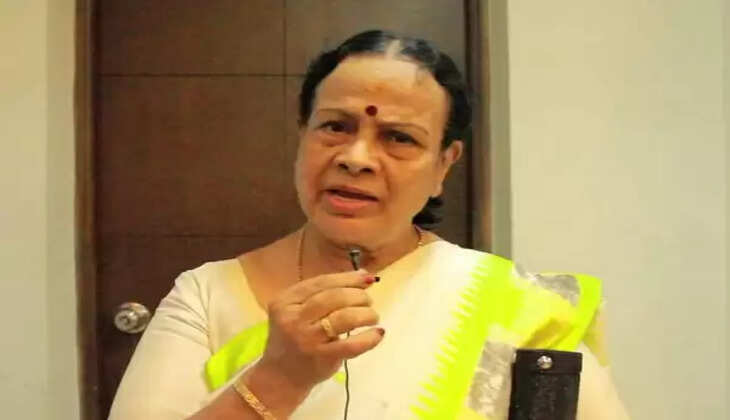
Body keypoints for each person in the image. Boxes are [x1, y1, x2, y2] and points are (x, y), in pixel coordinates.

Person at [109, 30, 630, 420]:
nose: (356, 158)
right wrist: (279, 378)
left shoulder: (521, 308)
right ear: (303, 136)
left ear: (444, 164)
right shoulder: (205, 297)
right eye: (336, 126)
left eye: (399, 138)